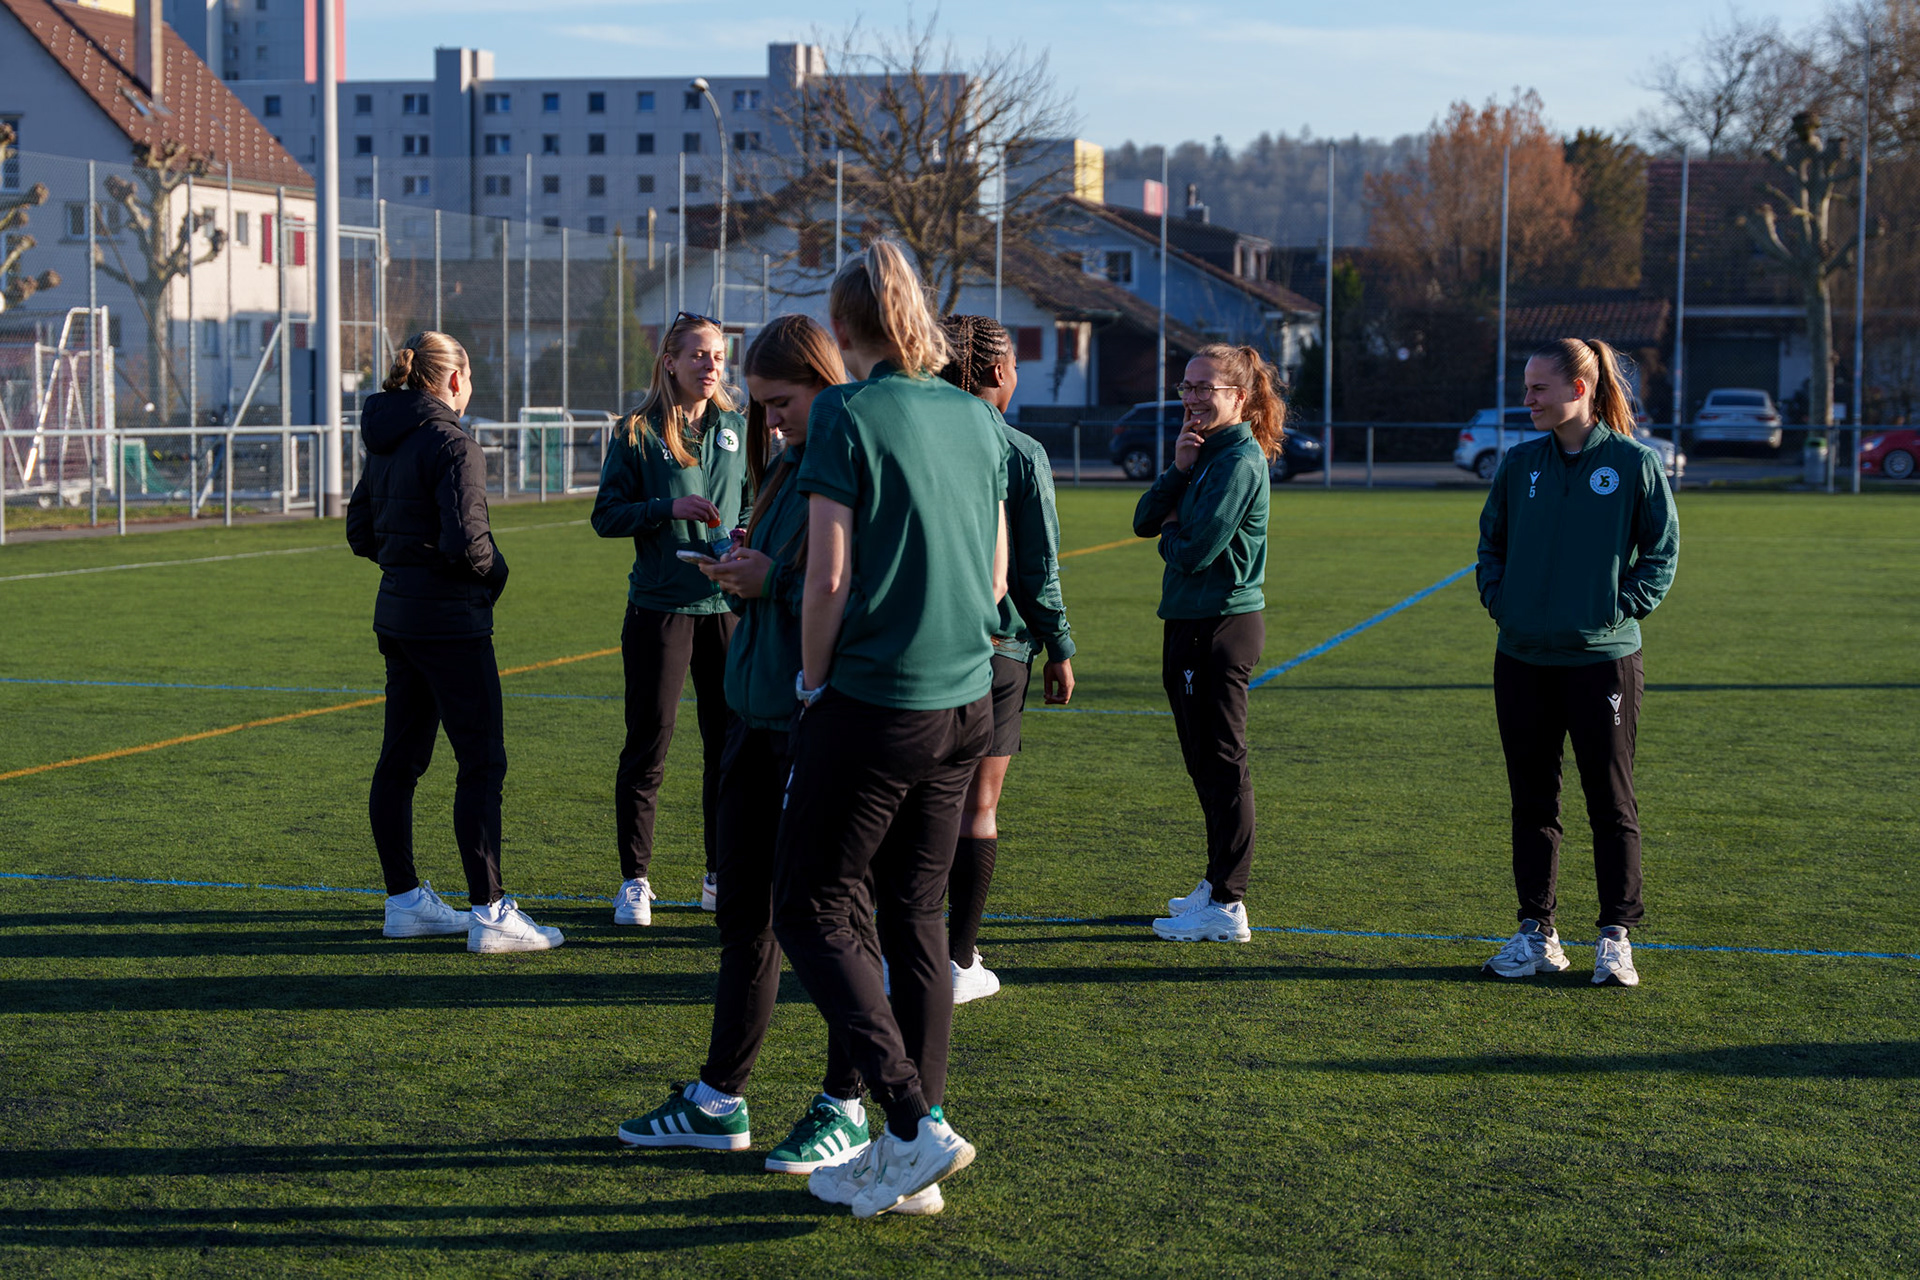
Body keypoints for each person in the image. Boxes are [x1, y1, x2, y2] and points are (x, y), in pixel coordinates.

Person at [618, 315, 923, 1200]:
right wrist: (748, 568)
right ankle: (719, 1098)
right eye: (764, 407)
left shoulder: (855, 455)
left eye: (783, 404)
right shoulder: (786, 461)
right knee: (745, 913)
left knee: (833, 918)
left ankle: (847, 1101)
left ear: (830, 385)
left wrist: (772, 582)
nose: (773, 421)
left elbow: (861, 588)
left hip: (815, 721)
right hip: (756, 716)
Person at [771, 241, 1008, 1219]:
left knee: (811, 907)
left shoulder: (845, 412)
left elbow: (826, 575)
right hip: (967, 696)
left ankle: (911, 1123)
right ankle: (912, 1146)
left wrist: (813, 682)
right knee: (915, 915)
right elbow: (995, 577)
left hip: (879, 696)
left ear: (845, 324)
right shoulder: (973, 415)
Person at [345, 330, 562, 954]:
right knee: (482, 763)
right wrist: (498, 577)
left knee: (401, 759)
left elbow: (361, 532)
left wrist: (407, 563)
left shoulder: (385, 435)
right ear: (456, 380)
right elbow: (470, 545)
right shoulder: (453, 442)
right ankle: (490, 911)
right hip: (449, 623)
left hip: (399, 617)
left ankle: (404, 900)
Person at [1475, 338, 1678, 988]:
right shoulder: (1519, 463)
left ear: (1580, 389)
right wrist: (1500, 601)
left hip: (1601, 663)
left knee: (1609, 800)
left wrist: (1623, 607)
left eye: (1539, 388)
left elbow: (1661, 552)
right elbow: (1491, 543)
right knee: (1532, 800)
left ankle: (1615, 936)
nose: (1527, 399)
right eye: (1527, 386)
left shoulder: (1632, 464)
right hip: (1523, 659)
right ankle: (1537, 932)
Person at [590, 313, 752, 926]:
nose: (712, 366)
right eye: (699, 356)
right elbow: (607, 515)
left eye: (718, 357)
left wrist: (746, 529)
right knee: (648, 748)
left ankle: (719, 874)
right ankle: (635, 881)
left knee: (729, 749)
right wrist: (666, 506)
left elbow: (760, 499)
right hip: (660, 609)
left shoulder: (740, 427)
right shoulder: (635, 431)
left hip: (727, 610)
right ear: (670, 361)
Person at [934, 315, 1075, 1003]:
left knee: (919, 801)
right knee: (976, 806)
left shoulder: (911, 436)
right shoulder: (1018, 449)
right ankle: (957, 961)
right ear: (996, 373)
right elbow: (1038, 566)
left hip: (916, 647)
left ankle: (912, 943)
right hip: (995, 650)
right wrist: (1061, 646)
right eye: (1015, 362)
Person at [1133, 344, 1283, 944]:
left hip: (1219, 626)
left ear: (1239, 397)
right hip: (1188, 622)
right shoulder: (1203, 454)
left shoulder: (1239, 460)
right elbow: (1144, 518)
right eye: (1187, 386)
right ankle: (1215, 881)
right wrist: (1176, 469)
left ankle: (1228, 902)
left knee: (1222, 763)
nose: (1192, 397)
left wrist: (1173, 525)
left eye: (1206, 388)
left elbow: (1191, 550)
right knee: (1203, 762)